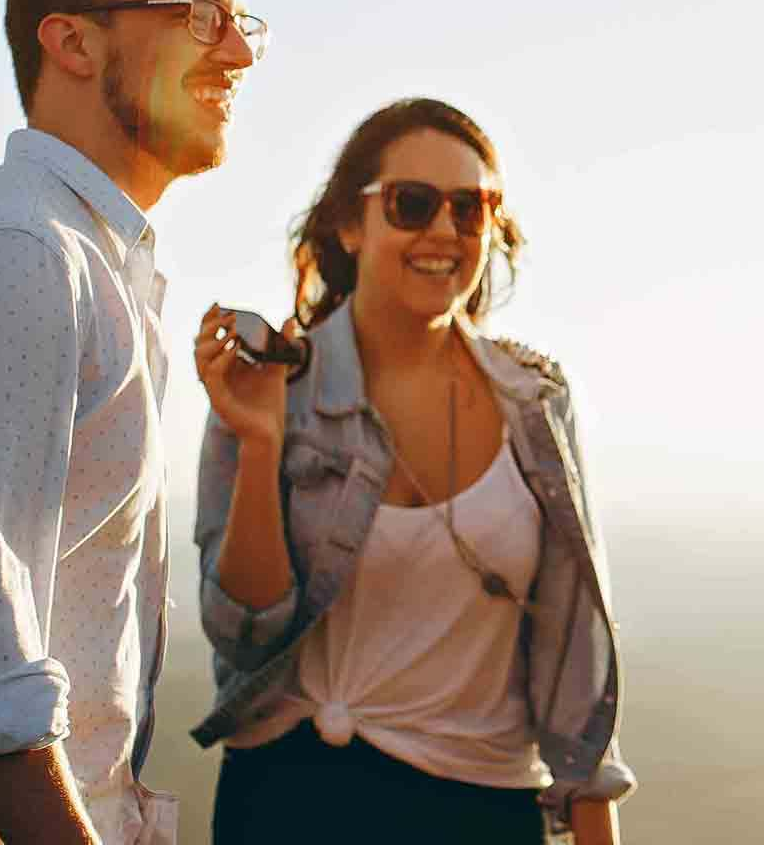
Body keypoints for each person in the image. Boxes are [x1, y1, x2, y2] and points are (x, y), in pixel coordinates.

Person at [0, 0, 263, 844]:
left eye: (240, 18)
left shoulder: (100, 264)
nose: (239, 51)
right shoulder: (16, 253)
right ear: (74, 41)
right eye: (199, 16)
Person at [190, 97, 634, 844]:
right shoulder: (271, 386)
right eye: (413, 204)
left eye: (471, 209)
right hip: (289, 804)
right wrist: (261, 444)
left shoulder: (538, 403)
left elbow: (577, 660)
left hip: (481, 813)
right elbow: (243, 636)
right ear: (348, 223)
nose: (443, 232)